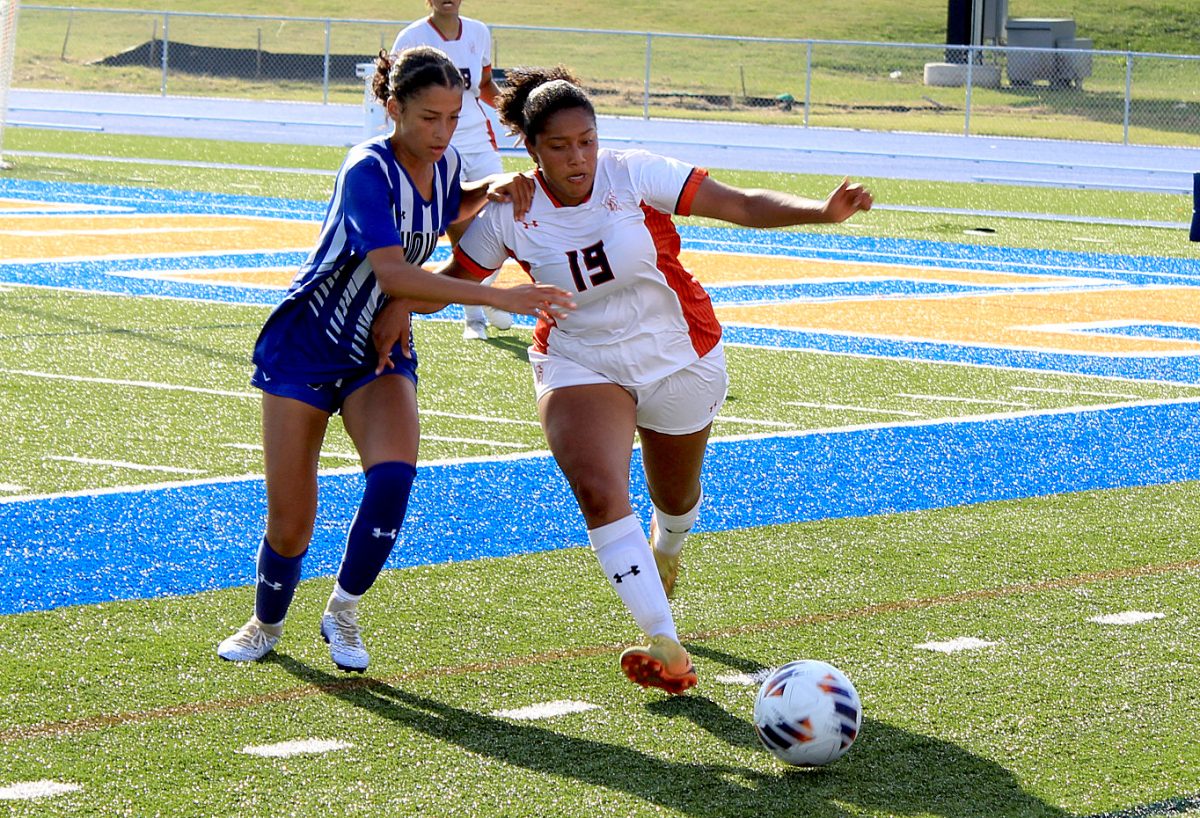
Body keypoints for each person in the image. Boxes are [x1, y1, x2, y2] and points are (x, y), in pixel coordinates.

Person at [378, 66, 874, 694]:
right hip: (579, 359)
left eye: (585, 140)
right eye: (558, 146)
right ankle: (666, 645)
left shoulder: (634, 172)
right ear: (530, 150)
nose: (577, 156)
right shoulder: (512, 210)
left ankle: (667, 549)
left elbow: (739, 205)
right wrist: (398, 296)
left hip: (678, 353)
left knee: (675, 498)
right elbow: (453, 278)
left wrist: (822, 212)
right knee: (597, 488)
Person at [216, 47, 574, 672]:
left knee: (393, 478)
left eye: (452, 117)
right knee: (292, 523)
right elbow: (390, 268)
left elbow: (445, 205)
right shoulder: (366, 169)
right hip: (307, 344)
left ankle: (343, 611)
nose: (441, 132)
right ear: (393, 108)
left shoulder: (447, 163)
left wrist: (486, 189)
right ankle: (266, 623)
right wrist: (497, 296)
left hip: (376, 348)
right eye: (428, 117)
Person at [392, 0, 511, 341]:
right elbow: (398, 94)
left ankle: (486, 290)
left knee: (501, 216)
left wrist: (513, 113)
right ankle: (474, 315)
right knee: (460, 225)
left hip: (478, 140)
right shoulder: (411, 37)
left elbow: (484, 85)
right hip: (439, 143)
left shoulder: (478, 31)